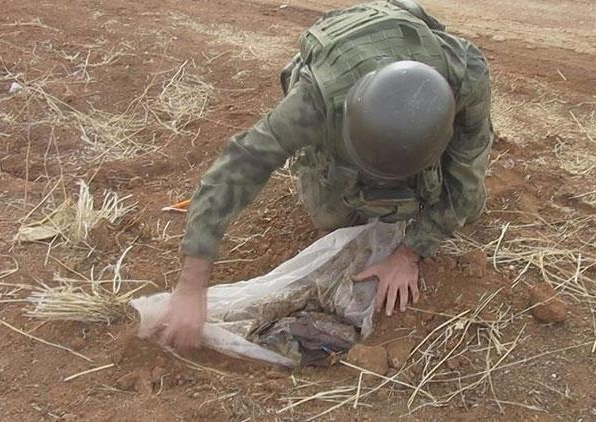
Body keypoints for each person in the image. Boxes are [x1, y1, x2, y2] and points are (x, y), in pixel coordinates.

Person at [148, 0, 493, 350]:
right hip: (340, 71)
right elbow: (239, 166)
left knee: (469, 207)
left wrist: (409, 253)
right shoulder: (313, 104)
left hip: (418, 69)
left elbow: (466, 179)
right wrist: (192, 285)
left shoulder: (466, 78)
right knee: (332, 214)